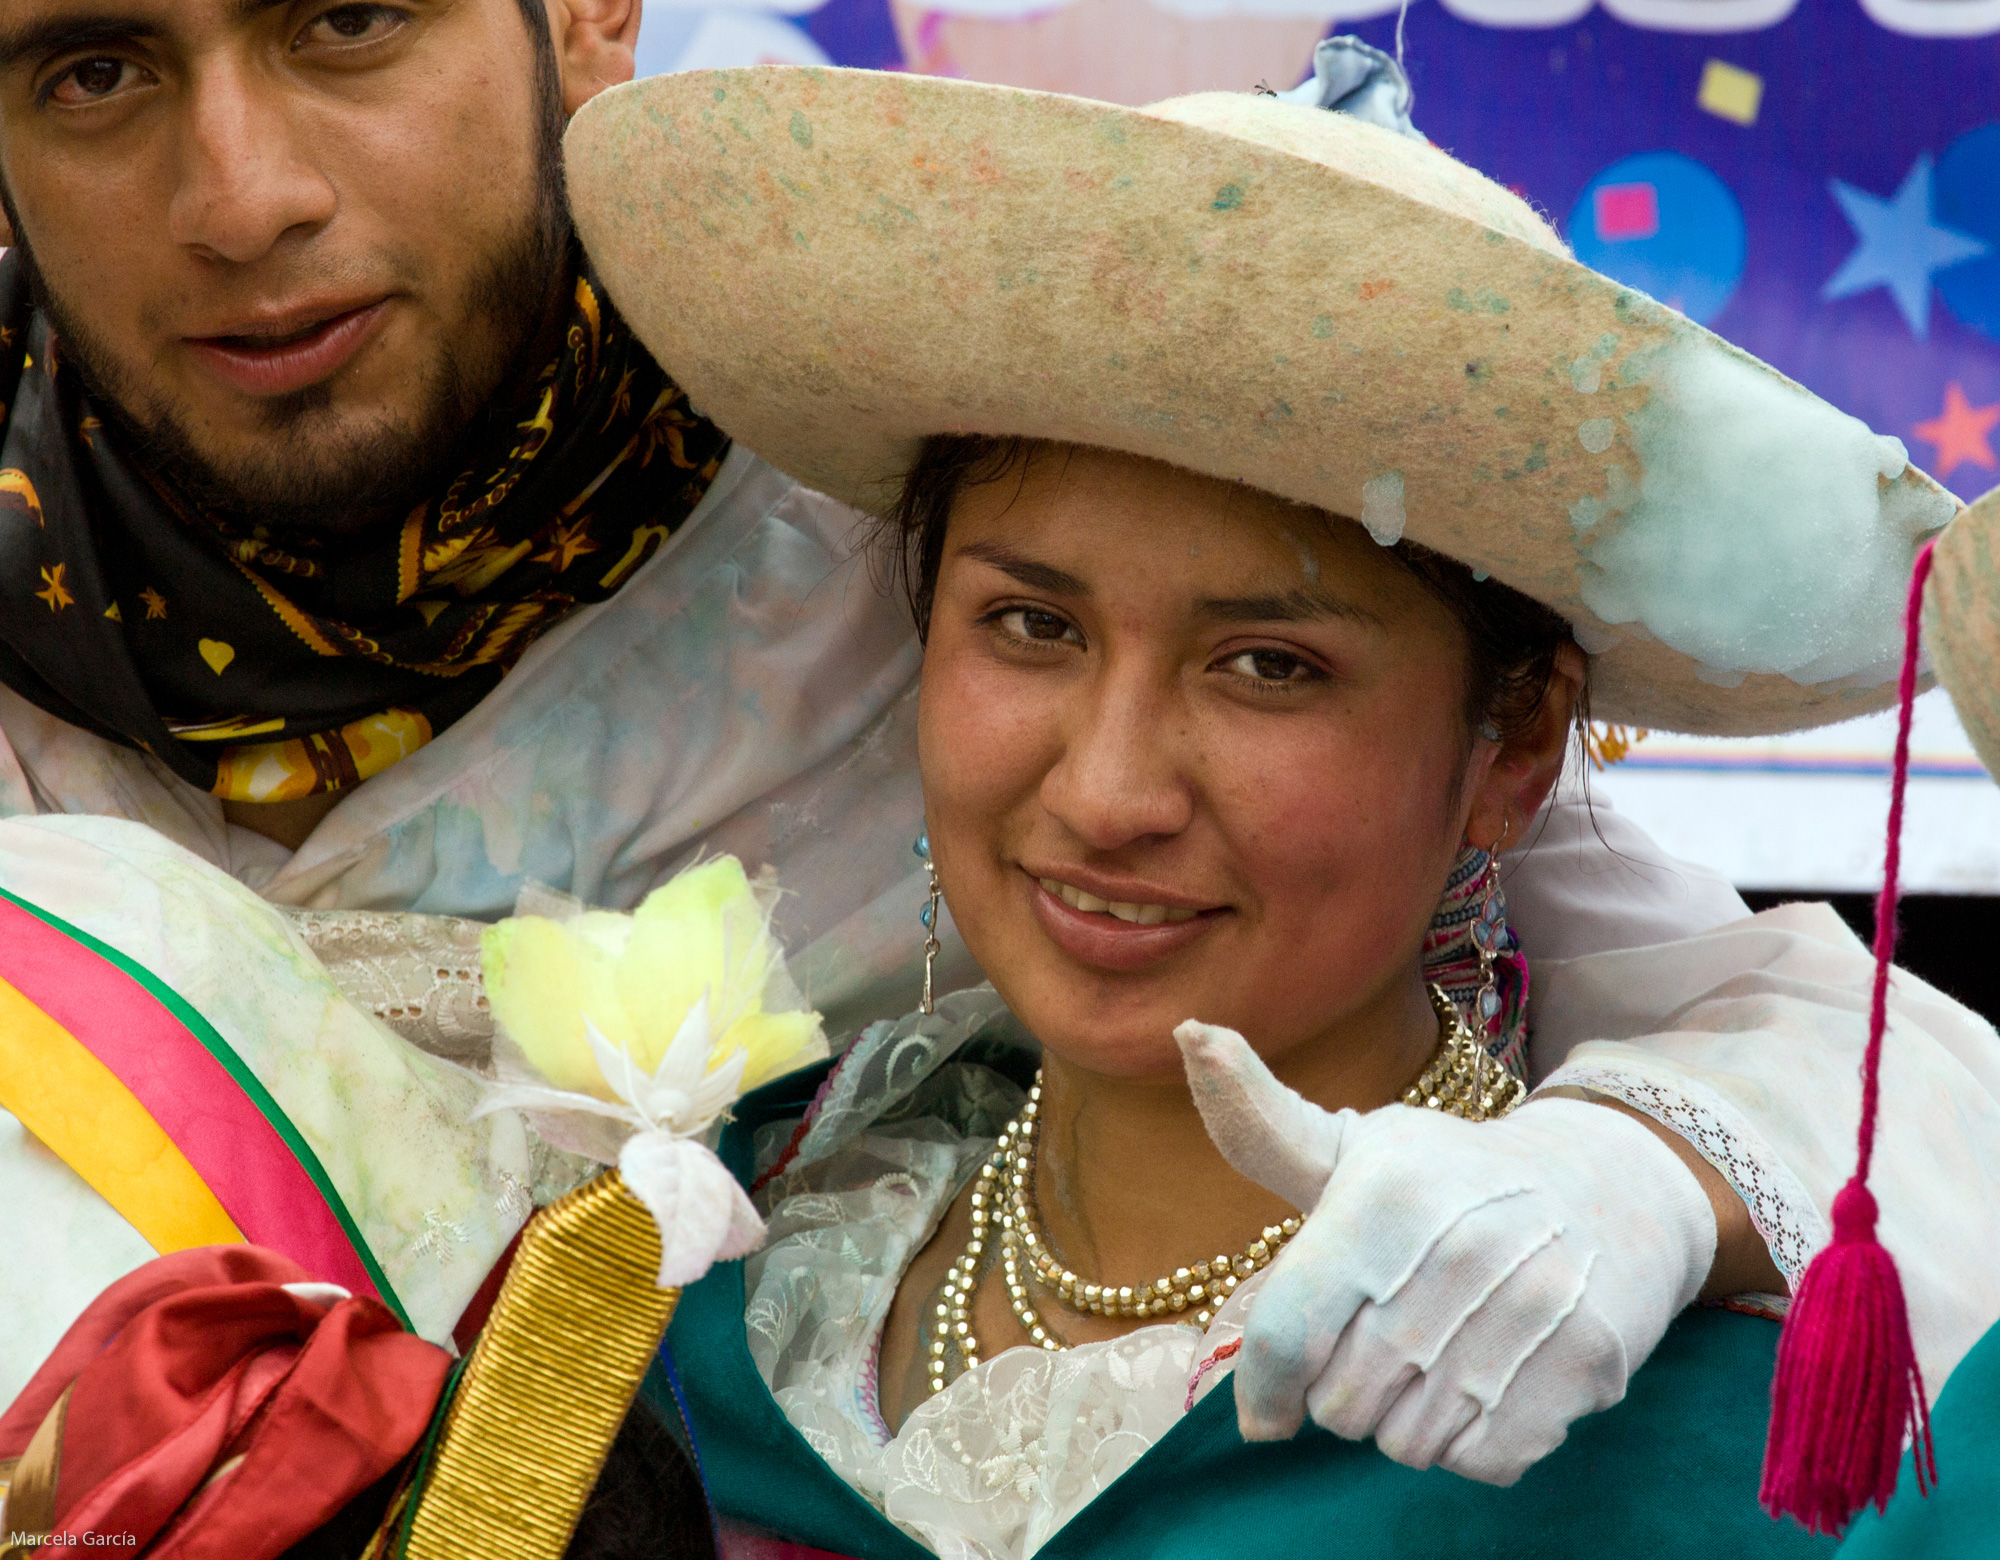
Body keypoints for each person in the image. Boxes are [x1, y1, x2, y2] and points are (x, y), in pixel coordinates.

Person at [0, 0, 1979, 1492]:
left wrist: (1635, 1173)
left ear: (589, 11)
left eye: (344, 17)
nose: (240, 192)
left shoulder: (915, 507)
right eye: (90, 67)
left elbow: (1836, 1070)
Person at [546, 58, 2000, 1556]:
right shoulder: (681, 1281)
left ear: (1513, 745)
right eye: (1033, 627)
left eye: (1267, 666)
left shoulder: (1684, 1455)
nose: (1107, 793)